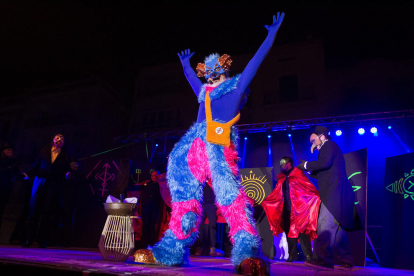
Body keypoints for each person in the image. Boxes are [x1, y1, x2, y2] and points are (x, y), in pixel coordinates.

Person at [134, 12, 285, 276]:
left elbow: (254, 63)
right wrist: (185, 66)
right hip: (191, 147)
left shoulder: (236, 88)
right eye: (208, 72)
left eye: (216, 71)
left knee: (229, 196)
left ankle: (247, 251)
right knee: (184, 200)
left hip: (217, 146)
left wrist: (270, 36)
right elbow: (195, 81)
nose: (211, 76)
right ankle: (171, 250)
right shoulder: (204, 93)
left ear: (225, 70)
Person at [297, 126, 360, 270]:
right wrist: (308, 169)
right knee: (337, 229)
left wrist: (306, 165)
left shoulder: (329, 145)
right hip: (337, 193)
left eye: (314, 140)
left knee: (325, 225)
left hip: (334, 194)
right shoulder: (327, 149)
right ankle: (347, 260)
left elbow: (325, 163)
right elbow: (326, 171)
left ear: (322, 136)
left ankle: (323, 259)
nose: (313, 143)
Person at [262, 156, 320, 262]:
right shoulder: (282, 178)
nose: (280, 165)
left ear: (288, 163)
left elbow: (308, 188)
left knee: (302, 233)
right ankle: (292, 256)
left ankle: (309, 256)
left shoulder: (298, 174)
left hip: (299, 210)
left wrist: (314, 198)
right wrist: (268, 202)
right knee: (289, 233)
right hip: (286, 210)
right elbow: (277, 194)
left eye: (282, 162)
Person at [16, 134, 70, 248]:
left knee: (48, 212)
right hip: (40, 181)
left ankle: (42, 240)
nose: (59, 140)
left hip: (53, 184)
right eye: (57, 138)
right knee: (34, 209)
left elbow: (66, 169)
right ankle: (29, 239)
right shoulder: (44, 150)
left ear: (64, 143)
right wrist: (26, 173)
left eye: (62, 139)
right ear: (53, 139)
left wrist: (68, 173)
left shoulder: (65, 154)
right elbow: (36, 165)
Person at [60, 156, 85, 247]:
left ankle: (66, 241)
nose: (76, 166)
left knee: (68, 220)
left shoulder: (78, 174)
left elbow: (82, 181)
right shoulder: (67, 174)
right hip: (64, 199)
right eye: (74, 164)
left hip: (72, 200)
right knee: (64, 219)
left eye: (77, 164)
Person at [194, 180, 219, 257]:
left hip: (211, 205)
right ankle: (199, 247)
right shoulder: (201, 178)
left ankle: (212, 247)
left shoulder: (213, 179)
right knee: (199, 226)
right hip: (202, 204)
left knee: (213, 226)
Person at [0, 142, 19, 232]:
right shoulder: (2, 160)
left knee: (2, 208)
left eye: (11, 150)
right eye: (8, 150)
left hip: (6, 187)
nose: (10, 151)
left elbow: (16, 173)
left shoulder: (14, 162)